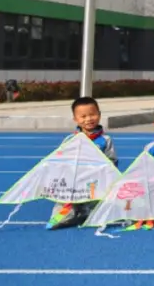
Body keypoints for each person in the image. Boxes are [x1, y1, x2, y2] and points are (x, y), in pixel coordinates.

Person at [48, 97, 118, 229]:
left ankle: (86, 210)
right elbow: (60, 161)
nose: (88, 119)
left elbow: (112, 162)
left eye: (92, 114)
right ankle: (73, 210)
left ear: (99, 115)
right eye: (83, 116)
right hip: (72, 186)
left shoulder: (105, 140)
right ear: (75, 119)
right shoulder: (70, 139)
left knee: (97, 216)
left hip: (95, 185)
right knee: (58, 220)